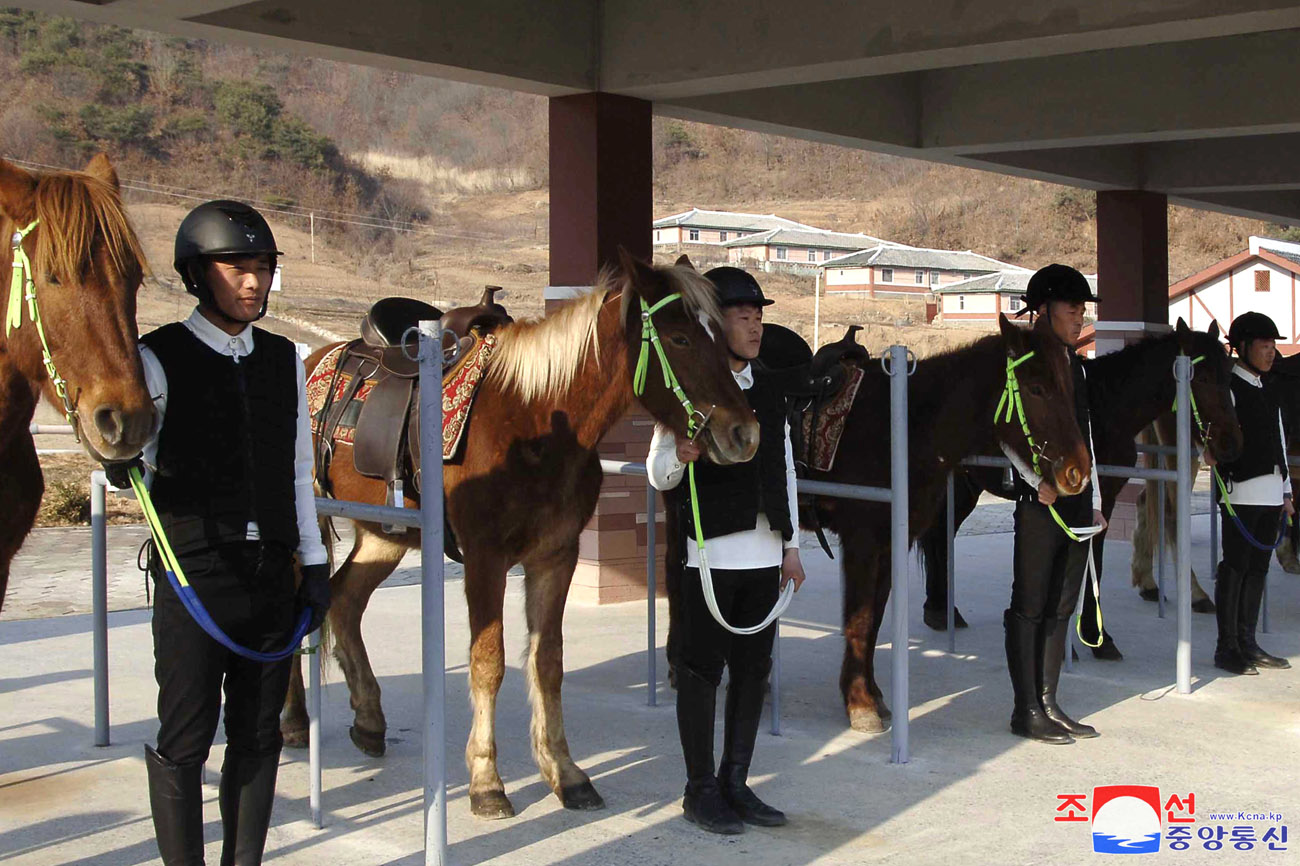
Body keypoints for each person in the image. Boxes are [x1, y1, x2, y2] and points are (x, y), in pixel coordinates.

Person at [106, 200, 331, 865]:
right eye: (239, 267)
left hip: (273, 577)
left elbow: (297, 469)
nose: (255, 281)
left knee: (259, 735)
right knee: (186, 738)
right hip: (194, 577)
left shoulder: (284, 359)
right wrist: (120, 461)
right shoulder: (158, 356)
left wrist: (313, 565)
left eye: (263, 267)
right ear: (199, 274)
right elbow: (126, 454)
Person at [648, 266, 806, 835]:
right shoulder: (691, 385)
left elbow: (784, 466)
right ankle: (700, 790)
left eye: (758, 315)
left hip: (765, 556)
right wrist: (680, 456)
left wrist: (792, 545)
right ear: (716, 324)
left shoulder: (770, 389)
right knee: (699, 672)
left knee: (752, 672)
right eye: (742, 316)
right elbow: (658, 473)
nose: (754, 325)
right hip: (709, 558)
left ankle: (736, 782)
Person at [1002, 264, 1104, 744]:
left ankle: (1049, 701)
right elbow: (1004, 433)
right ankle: (1026, 709)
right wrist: (1031, 480)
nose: (1079, 317)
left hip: (1078, 501)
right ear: (1043, 311)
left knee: (1063, 604)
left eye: (1082, 309)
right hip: (1038, 501)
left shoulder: (1079, 368)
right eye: (1072, 308)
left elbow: (1086, 441)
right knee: (1031, 603)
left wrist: (1096, 500)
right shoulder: (1020, 361)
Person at [1212, 311, 1293, 675]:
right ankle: (1226, 647)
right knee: (1235, 568)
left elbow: (1277, 438)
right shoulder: (1228, 388)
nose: (1270, 352)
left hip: (1272, 493)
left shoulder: (1269, 387)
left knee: (1258, 571)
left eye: (1273, 345)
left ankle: (1248, 641)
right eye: (1264, 345)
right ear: (1243, 347)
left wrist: (1287, 491)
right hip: (1240, 493)